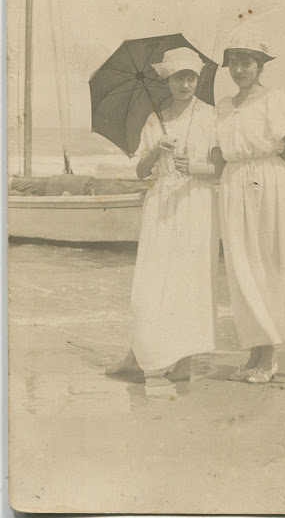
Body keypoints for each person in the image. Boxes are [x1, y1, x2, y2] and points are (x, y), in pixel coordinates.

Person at [106, 47, 220, 382]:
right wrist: (157, 149)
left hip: (196, 202)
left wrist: (194, 167)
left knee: (190, 280)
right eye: (178, 78)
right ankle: (136, 355)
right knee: (151, 280)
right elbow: (141, 172)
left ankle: (184, 362)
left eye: (190, 78)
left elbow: (220, 168)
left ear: (197, 80)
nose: (184, 84)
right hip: (161, 202)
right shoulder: (155, 119)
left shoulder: (211, 116)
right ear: (166, 81)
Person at [215, 37, 285, 384]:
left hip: (268, 185)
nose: (239, 69)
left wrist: (265, 167)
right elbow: (219, 156)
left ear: (260, 66)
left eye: (246, 62)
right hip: (233, 186)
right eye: (233, 62)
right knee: (243, 268)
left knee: (269, 265)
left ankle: (269, 356)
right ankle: (254, 352)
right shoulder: (224, 105)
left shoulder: (275, 98)